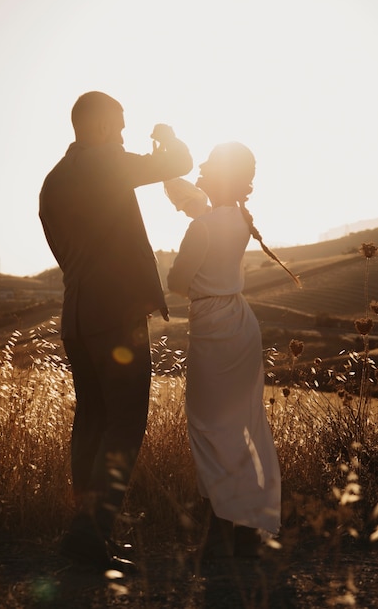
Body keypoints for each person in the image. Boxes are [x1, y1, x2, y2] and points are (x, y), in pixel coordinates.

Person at [39, 91, 193, 571]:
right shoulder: (107, 164)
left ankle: (85, 535)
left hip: (77, 316)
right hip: (117, 317)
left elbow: (61, 250)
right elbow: (180, 161)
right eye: (121, 127)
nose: (124, 135)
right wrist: (166, 136)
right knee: (125, 424)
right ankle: (90, 534)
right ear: (103, 127)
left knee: (90, 424)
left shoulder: (53, 181)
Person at [167, 142, 300, 560]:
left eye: (207, 169)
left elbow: (176, 282)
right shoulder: (239, 219)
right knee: (240, 426)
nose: (201, 173)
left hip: (212, 328)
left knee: (209, 426)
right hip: (241, 325)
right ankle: (239, 526)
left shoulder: (202, 226)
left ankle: (224, 529)